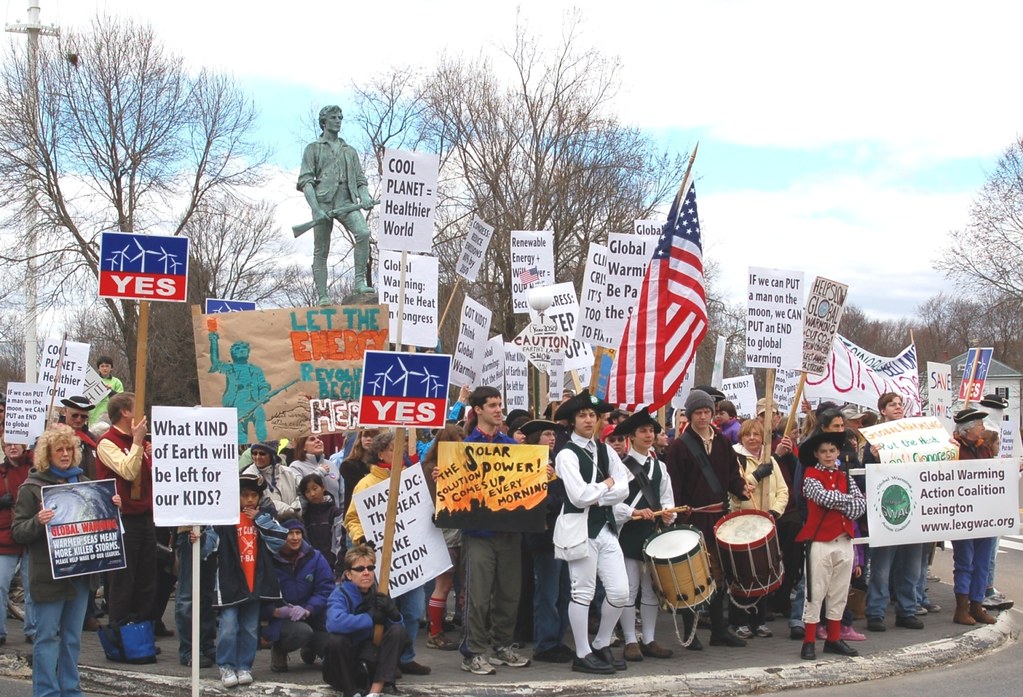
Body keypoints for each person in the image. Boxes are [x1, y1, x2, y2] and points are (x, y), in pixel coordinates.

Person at [12, 425, 121, 696]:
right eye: (58, 449)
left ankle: (71, 689)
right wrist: (38, 521)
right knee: (47, 636)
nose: (64, 454)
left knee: (72, 638)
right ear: (46, 454)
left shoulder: (85, 482)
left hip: (81, 576)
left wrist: (112, 506)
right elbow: (18, 532)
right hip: (48, 576)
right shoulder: (32, 488)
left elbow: (103, 525)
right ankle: (47, 691)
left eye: (69, 449)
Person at [664, 389, 752, 649]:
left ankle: (719, 630)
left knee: (718, 575)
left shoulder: (723, 442)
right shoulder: (679, 446)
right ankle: (690, 633)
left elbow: (731, 474)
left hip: (718, 517)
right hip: (692, 518)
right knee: (692, 576)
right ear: (690, 415)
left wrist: (741, 488)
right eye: (698, 413)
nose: (703, 417)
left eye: (707, 412)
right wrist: (678, 516)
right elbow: (675, 484)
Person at [553, 390, 630, 675]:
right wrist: (606, 486)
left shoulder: (605, 449)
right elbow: (578, 496)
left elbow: (624, 486)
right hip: (579, 529)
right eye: (582, 415)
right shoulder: (566, 454)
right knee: (582, 591)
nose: (588, 419)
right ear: (573, 421)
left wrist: (602, 490)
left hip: (605, 528)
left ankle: (599, 643)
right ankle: (582, 652)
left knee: (620, 592)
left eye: (592, 415)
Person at [343, 432, 431, 677]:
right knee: (386, 612)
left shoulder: (412, 480)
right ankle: (384, 659)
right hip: (380, 561)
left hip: (410, 557)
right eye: (393, 449)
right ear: (380, 453)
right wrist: (361, 539)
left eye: (401, 449)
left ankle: (406, 657)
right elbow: (351, 518)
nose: (398, 454)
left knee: (413, 611)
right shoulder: (366, 484)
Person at [458, 386, 531, 675]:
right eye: (491, 405)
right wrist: (441, 475)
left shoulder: (511, 447)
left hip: (509, 531)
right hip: (479, 534)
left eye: (500, 404)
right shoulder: (465, 447)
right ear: (477, 410)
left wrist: (541, 475)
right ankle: (473, 652)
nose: (498, 410)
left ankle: (502, 645)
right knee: (478, 596)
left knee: (509, 593)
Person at [202, 472, 288, 688]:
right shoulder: (224, 519)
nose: (249, 500)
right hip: (230, 580)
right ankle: (226, 665)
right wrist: (197, 537)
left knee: (250, 628)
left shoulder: (264, 519)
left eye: (253, 495)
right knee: (229, 625)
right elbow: (207, 547)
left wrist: (258, 519)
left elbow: (279, 540)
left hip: (255, 581)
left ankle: (244, 666)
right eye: (244, 495)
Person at [611, 408, 675, 661]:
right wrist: (633, 512)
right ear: (632, 436)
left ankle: (648, 639)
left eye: (651, 431)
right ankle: (629, 640)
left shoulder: (660, 467)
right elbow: (611, 504)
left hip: (653, 534)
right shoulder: (621, 467)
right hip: (628, 533)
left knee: (651, 591)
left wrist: (669, 514)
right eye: (643, 431)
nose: (649, 435)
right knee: (629, 589)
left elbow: (667, 499)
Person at [795, 430, 865, 660]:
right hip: (820, 541)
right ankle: (809, 641)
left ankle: (834, 638)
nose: (828, 455)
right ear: (816, 454)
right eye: (823, 451)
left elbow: (860, 505)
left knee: (839, 592)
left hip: (844, 540)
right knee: (815, 593)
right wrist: (846, 500)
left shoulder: (845, 475)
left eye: (832, 451)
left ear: (837, 452)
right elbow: (822, 498)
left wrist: (841, 501)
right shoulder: (811, 475)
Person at [297, 104, 378, 301]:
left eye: (340, 117)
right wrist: (315, 209)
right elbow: (305, 182)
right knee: (322, 249)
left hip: (346, 201)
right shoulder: (313, 149)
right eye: (334, 117)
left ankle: (359, 282)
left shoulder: (349, 151)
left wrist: (365, 196)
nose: (338, 120)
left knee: (363, 233)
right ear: (324, 121)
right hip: (323, 203)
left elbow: (360, 180)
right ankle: (323, 295)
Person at [95, 392, 156, 628]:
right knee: (123, 580)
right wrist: (137, 443)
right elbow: (128, 472)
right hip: (123, 520)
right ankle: (120, 632)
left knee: (146, 579)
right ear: (125, 413)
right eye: (138, 409)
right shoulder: (107, 442)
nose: (143, 416)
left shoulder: (139, 442)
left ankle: (143, 632)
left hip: (144, 516)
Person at [865, 392, 925, 632]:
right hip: (887, 508)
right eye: (892, 404)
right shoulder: (873, 438)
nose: (898, 407)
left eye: (900, 404)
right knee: (881, 567)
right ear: (883, 410)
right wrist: (874, 458)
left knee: (910, 565)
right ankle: (876, 612)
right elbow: (864, 472)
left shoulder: (915, 434)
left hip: (914, 508)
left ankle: (907, 610)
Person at [323, 544, 408, 697]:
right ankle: (351, 692)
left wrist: (394, 614)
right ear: (348, 574)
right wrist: (369, 618)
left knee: (397, 630)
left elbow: (399, 635)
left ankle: (376, 689)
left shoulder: (379, 593)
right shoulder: (340, 594)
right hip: (345, 664)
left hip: (371, 659)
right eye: (360, 569)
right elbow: (334, 623)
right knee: (336, 641)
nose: (366, 573)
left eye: (370, 568)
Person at [729, 418, 788, 639]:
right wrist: (756, 475)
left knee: (764, 571)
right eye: (748, 435)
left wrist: (774, 512)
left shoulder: (770, 459)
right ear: (741, 438)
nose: (752, 439)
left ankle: (759, 620)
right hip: (743, 522)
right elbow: (736, 490)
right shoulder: (736, 460)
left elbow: (782, 490)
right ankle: (739, 620)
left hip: (767, 523)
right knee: (743, 573)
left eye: (756, 434)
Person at [520, 419, 573, 663]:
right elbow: (537, 502)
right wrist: (550, 486)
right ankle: (545, 643)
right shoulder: (526, 466)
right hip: (544, 538)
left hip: (563, 536)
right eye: (546, 434)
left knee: (563, 592)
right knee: (548, 593)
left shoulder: (558, 463)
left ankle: (557, 639)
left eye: (553, 434)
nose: (552, 438)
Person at [950, 408, 999, 626]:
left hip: (984, 514)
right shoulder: (954, 450)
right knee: (964, 562)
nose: (983, 427)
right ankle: (962, 609)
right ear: (968, 428)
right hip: (962, 516)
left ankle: (977, 605)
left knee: (981, 563)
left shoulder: (984, 449)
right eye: (979, 423)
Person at [265, 518, 334, 672]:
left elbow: (326, 589)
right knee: (302, 632)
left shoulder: (315, 557)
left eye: (298, 533)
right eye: (290, 533)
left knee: (334, 650)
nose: (295, 537)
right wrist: (277, 611)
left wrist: (309, 609)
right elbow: (261, 595)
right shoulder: (269, 559)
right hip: (283, 620)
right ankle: (279, 648)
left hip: (313, 616)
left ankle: (311, 648)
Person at [421, 424, 465, 652]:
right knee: (444, 584)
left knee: (465, 584)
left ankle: (467, 629)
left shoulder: (466, 464)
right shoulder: (430, 468)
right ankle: (435, 632)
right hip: (444, 532)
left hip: (463, 528)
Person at [0, 439, 34, 646]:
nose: (13, 447)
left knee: (34, 587)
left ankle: (34, 629)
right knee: (0, 585)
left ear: (25, 446)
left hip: (31, 536)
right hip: (5, 538)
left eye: (17, 443)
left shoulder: (36, 469)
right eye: (8, 444)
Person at [298, 473, 344, 572]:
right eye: (307, 491)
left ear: (323, 488)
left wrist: (338, 567)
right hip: (312, 568)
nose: (312, 494)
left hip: (333, 567)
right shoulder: (305, 516)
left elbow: (339, 541)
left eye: (315, 488)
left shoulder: (335, 513)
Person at [244, 441, 302, 518]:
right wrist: (289, 511)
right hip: (267, 524)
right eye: (254, 453)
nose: (257, 457)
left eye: (262, 453)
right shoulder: (249, 476)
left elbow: (302, 494)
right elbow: (259, 502)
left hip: (293, 524)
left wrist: (297, 509)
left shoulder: (288, 472)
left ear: (272, 455)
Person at [290, 435, 343, 504]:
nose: (318, 441)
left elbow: (341, 495)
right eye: (312, 439)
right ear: (303, 447)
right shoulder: (295, 466)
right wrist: (319, 472)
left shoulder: (332, 465)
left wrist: (342, 513)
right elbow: (300, 490)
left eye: (319, 439)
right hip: (310, 514)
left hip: (336, 514)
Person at [339, 429, 380, 516]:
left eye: (372, 436)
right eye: (365, 436)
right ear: (360, 439)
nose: (368, 439)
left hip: (377, 513)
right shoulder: (348, 465)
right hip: (356, 514)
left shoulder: (380, 465)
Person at [89, 355, 124, 428]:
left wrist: (111, 391)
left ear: (111, 368)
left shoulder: (116, 382)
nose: (105, 368)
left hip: (110, 415)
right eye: (102, 366)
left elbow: (121, 399)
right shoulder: (92, 381)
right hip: (94, 415)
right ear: (98, 368)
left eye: (107, 366)